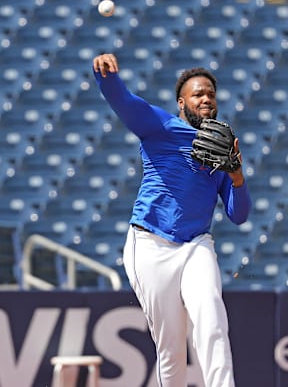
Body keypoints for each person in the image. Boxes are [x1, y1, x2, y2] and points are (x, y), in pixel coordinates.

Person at [92, 53, 252, 387]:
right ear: (182, 102)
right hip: (150, 243)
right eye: (198, 94)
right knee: (171, 347)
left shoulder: (220, 148)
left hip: (196, 244)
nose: (206, 98)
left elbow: (238, 214)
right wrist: (107, 76)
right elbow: (124, 102)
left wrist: (236, 176)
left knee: (211, 319)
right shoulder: (162, 126)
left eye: (210, 93)